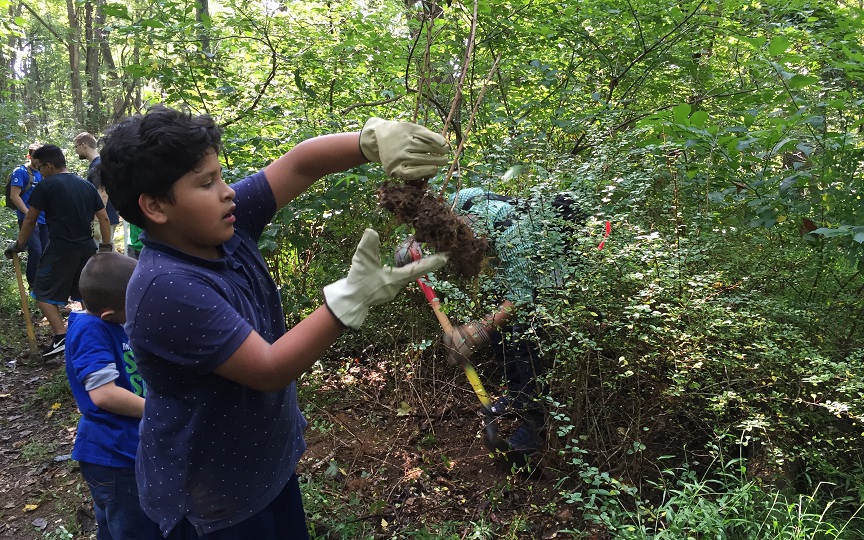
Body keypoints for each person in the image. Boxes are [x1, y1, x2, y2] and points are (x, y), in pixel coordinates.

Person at [98, 105, 449, 539]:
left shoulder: (222, 225)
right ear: (154, 207)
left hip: (261, 465)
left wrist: (369, 141)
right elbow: (267, 368)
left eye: (221, 176)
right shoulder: (166, 287)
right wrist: (349, 300)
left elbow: (300, 165)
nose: (227, 192)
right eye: (206, 183)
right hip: (214, 497)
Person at [439, 187, 575, 454]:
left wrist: (477, 330)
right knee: (499, 320)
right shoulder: (461, 202)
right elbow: (428, 207)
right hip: (519, 249)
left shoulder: (513, 233)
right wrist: (415, 245)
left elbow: (521, 299)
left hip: (551, 253)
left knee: (524, 330)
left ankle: (537, 424)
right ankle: (516, 395)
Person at [65, 252, 151, 540]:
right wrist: (156, 409)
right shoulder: (90, 331)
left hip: (123, 451)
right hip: (114, 457)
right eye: (136, 305)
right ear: (109, 314)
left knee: (115, 527)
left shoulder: (108, 324)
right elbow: (103, 394)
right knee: (132, 528)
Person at [4, 144, 112, 358]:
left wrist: (20, 243)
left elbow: (31, 218)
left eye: (40, 167)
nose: (38, 172)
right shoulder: (85, 185)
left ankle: (61, 335)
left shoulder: (47, 186)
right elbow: (104, 217)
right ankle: (97, 333)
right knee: (85, 291)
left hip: (60, 248)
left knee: (41, 291)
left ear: (49, 166)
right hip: (87, 247)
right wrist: (106, 246)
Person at [7, 142, 49, 288]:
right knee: (36, 252)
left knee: (45, 252)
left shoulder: (44, 171)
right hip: (28, 219)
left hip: (45, 219)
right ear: (29, 156)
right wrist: (28, 213)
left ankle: (43, 283)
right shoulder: (21, 171)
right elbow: (14, 195)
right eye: (35, 156)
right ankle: (33, 284)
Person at [75, 132, 120, 245]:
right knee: (105, 254)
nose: (76, 151)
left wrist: (97, 219)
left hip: (102, 219)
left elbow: (103, 194)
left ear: (83, 145)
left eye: (76, 146)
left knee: (102, 256)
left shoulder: (97, 166)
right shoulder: (100, 163)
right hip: (106, 217)